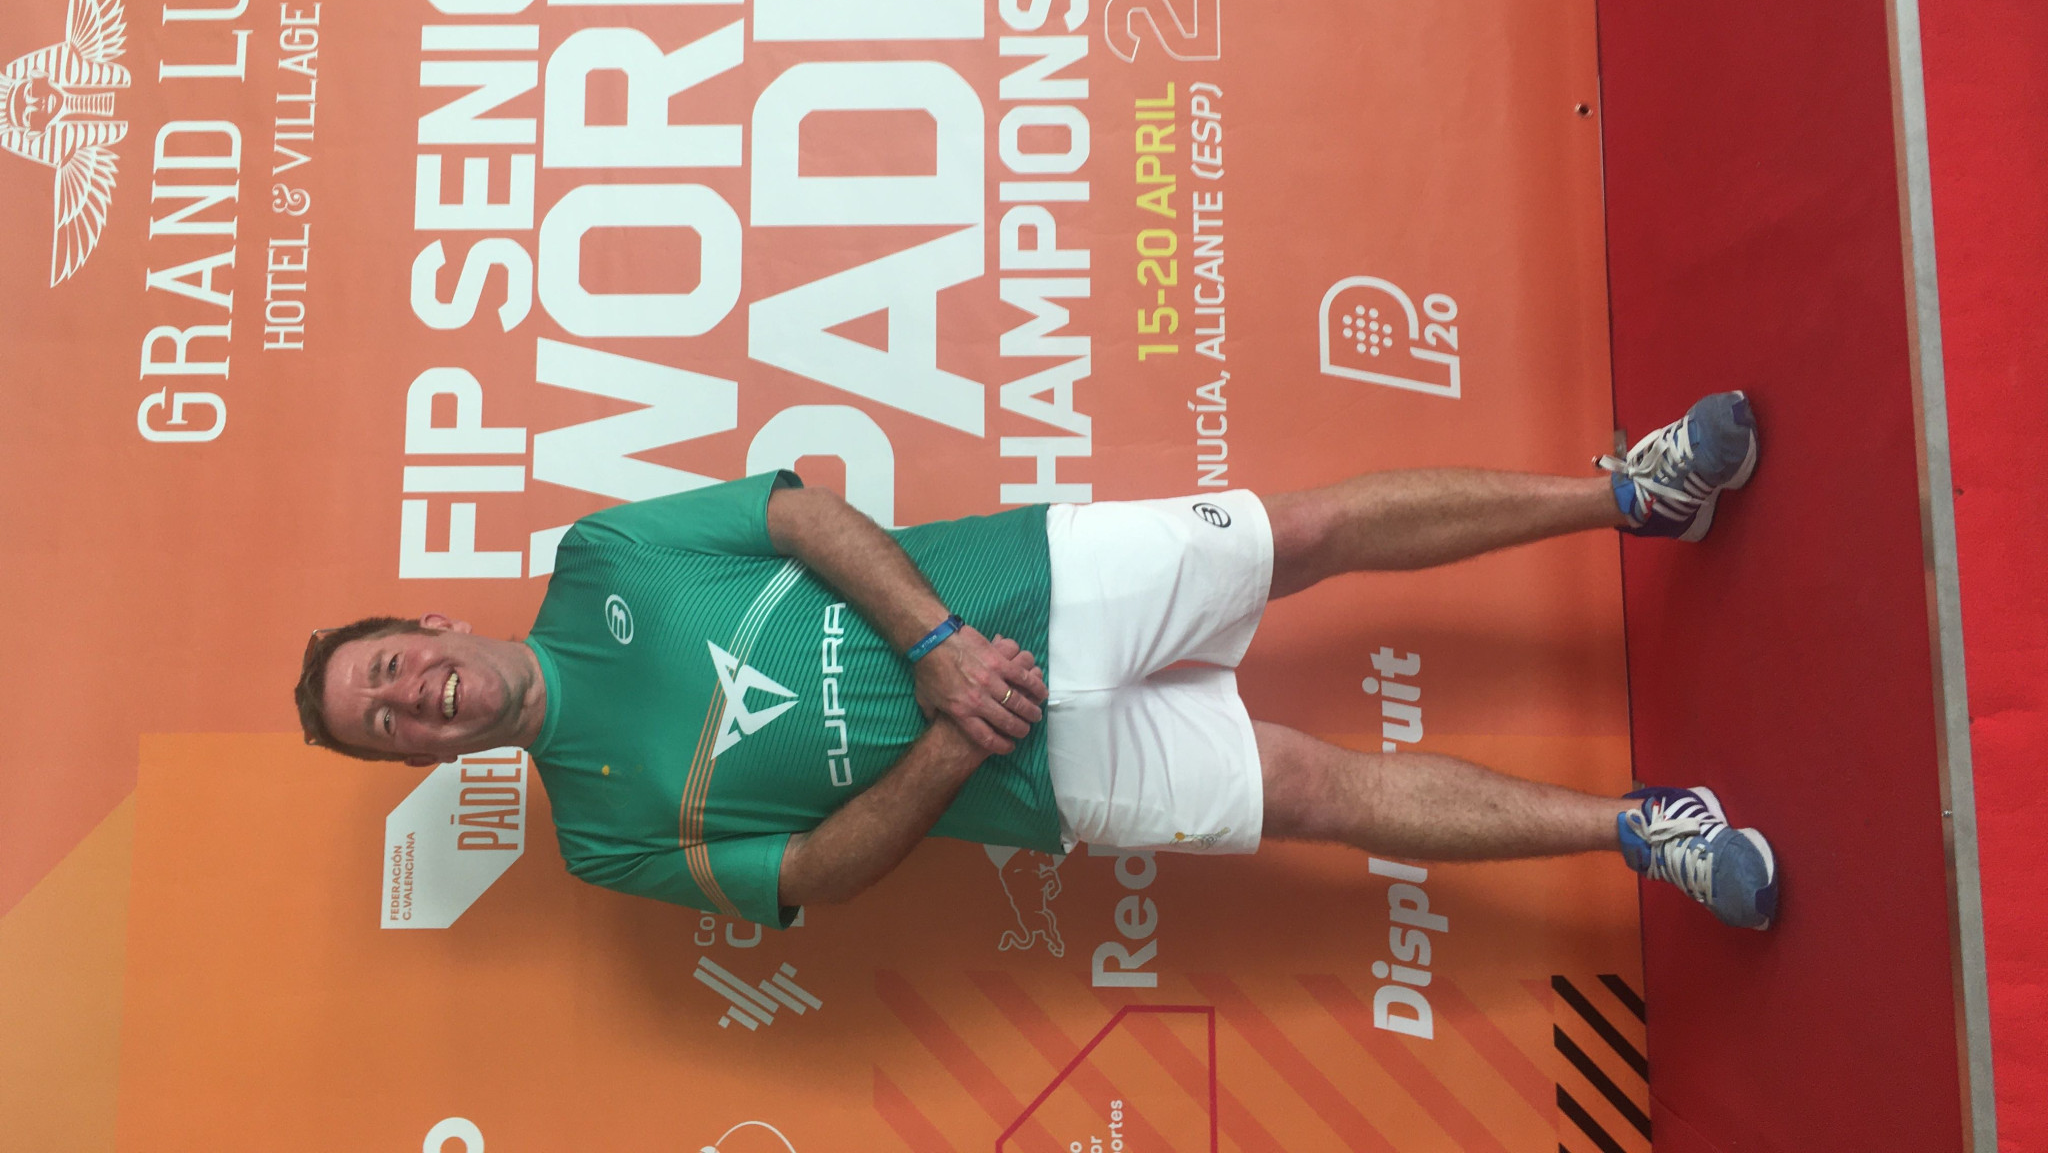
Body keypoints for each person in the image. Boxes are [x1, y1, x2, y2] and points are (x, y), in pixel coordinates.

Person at [294, 392, 1777, 932]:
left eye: (393, 672)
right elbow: (808, 875)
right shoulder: (602, 841)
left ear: (429, 628)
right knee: (1317, 792)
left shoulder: (601, 559)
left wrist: (938, 644)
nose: (415, 701)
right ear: (415, 759)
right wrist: (954, 740)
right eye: (389, 727)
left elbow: (795, 513)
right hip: (1037, 781)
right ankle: (1647, 833)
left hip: (1030, 583)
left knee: (1311, 530)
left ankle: (1631, 497)